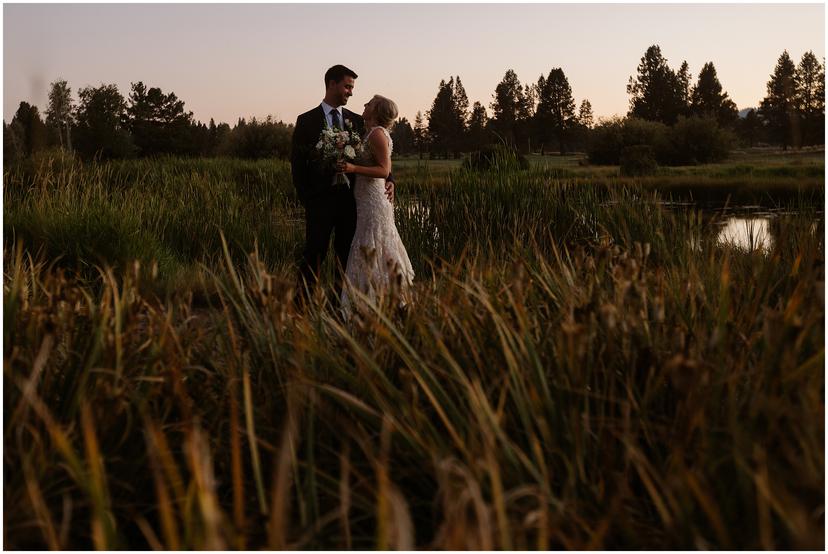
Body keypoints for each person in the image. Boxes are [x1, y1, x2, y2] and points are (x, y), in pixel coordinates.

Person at [290, 65, 395, 301]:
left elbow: (380, 153)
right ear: (331, 84)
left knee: (346, 255)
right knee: (314, 252)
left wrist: (390, 179)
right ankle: (302, 305)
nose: (350, 93)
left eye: (352, 88)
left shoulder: (358, 121)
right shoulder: (307, 121)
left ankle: (340, 304)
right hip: (319, 201)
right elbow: (297, 165)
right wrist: (308, 199)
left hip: (352, 202)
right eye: (347, 86)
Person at [336, 95, 414, 315]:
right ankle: (374, 300)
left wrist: (352, 168)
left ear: (377, 110)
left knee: (374, 243)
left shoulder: (378, 134)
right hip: (364, 198)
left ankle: (387, 300)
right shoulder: (369, 132)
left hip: (373, 200)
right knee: (370, 243)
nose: (364, 105)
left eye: (369, 103)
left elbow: (384, 171)